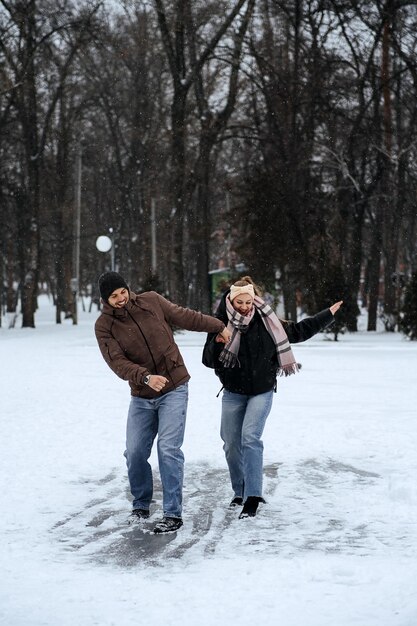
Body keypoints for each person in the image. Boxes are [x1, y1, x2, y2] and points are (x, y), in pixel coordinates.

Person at [95, 272, 231, 534]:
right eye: (113, 296)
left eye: (122, 291)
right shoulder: (104, 326)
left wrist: (217, 325)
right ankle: (141, 505)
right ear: (105, 300)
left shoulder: (151, 301)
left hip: (174, 387)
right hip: (142, 395)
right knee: (134, 452)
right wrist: (145, 377)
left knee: (168, 449)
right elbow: (117, 362)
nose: (121, 298)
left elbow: (186, 316)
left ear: (127, 288)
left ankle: (172, 513)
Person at [203, 276, 343, 519]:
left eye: (248, 301)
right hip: (233, 392)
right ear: (231, 301)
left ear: (254, 300)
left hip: (261, 391)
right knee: (231, 444)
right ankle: (241, 491)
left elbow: (300, 331)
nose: (245, 307)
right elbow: (208, 360)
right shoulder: (220, 324)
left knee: (250, 438)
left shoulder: (268, 321)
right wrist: (217, 343)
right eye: (240, 303)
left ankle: (253, 497)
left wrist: (327, 314)